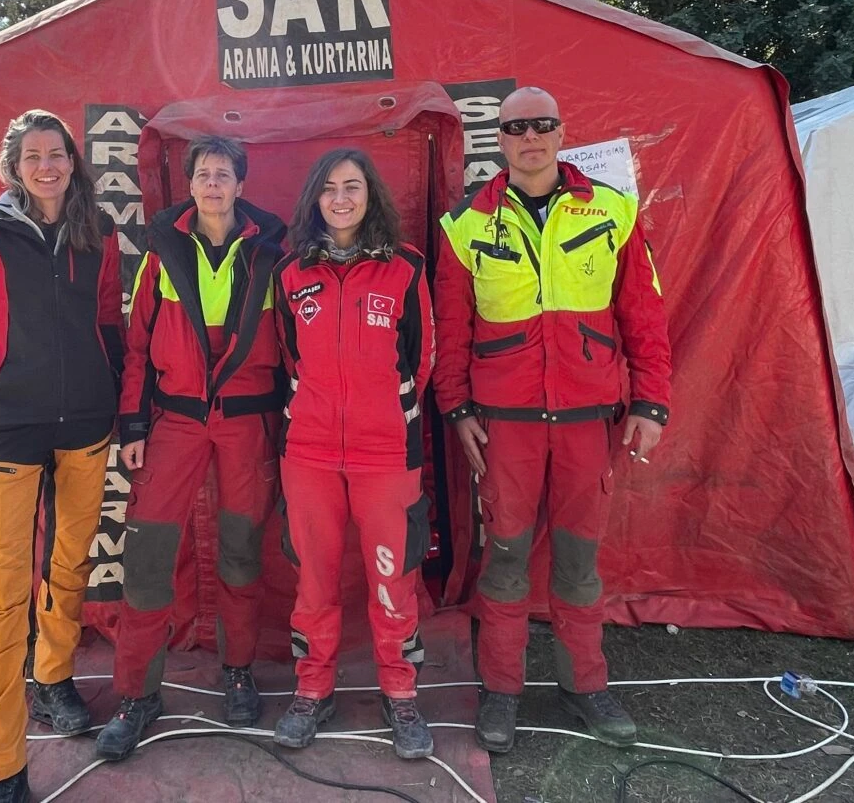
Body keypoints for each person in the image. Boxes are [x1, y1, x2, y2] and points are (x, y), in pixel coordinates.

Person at [433, 86, 671, 752]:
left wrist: (650, 402)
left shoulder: (614, 211)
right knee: (504, 562)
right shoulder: (466, 222)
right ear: (500, 141)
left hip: (585, 420)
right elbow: (449, 330)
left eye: (541, 125)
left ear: (561, 133)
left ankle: (585, 685)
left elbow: (643, 314)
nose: (528, 137)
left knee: (577, 563)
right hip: (502, 423)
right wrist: (454, 408)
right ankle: (501, 692)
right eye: (515, 128)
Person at [0, 110, 124, 803]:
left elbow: (109, 321)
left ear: (73, 161)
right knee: (1, 597)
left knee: (69, 564)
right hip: (8, 426)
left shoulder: (97, 231)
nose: (47, 166)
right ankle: (0, 766)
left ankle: (55, 676)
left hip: (86, 424)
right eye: (33, 156)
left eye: (57, 154)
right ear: (14, 166)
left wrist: (123, 406)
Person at [96, 135, 287, 760]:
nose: (212, 183)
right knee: (148, 559)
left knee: (240, 556)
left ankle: (238, 673)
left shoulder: (271, 250)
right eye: (203, 173)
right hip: (173, 424)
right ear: (190, 184)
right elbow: (137, 346)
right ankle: (137, 696)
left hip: (247, 424)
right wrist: (132, 426)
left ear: (241, 183)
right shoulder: (161, 251)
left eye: (224, 173)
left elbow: (292, 345)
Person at [270, 148, 437, 760]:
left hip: (387, 453)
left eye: (353, 187)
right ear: (315, 199)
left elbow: (421, 359)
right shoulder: (290, 272)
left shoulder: (406, 268)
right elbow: (289, 357)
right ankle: (313, 690)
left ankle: (401, 693)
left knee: (394, 580)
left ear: (371, 196)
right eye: (330, 188)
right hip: (309, 452)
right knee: (314, 582)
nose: (341, 198)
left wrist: (387, 411)